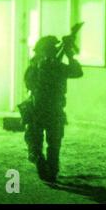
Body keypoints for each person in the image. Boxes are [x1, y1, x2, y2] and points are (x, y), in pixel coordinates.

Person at [23, 35, 83, 182]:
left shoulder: (35, 67)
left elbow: (28, 84)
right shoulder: (55, 67)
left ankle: (41, 163)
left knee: (35, 143)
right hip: (54, 109)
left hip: (38, 109)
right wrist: (69, 55)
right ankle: (51, 171)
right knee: (54, 143)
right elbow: (77, 72)